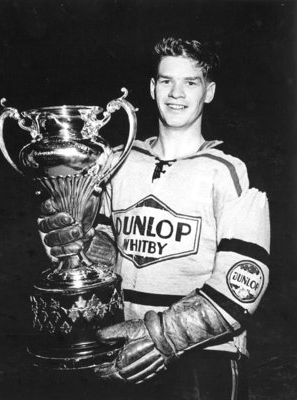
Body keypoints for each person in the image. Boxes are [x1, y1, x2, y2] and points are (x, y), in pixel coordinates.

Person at [39, 37, 270, 400]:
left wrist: (163, 335)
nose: (176, 93)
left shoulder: (227, 172)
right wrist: (75, 247)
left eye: (190, 82)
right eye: (166, 80)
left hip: (203, 355)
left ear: (208, 92)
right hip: (124, 352)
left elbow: (243, 284)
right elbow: (103, 251)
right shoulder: (118, 163)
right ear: (152, 87)